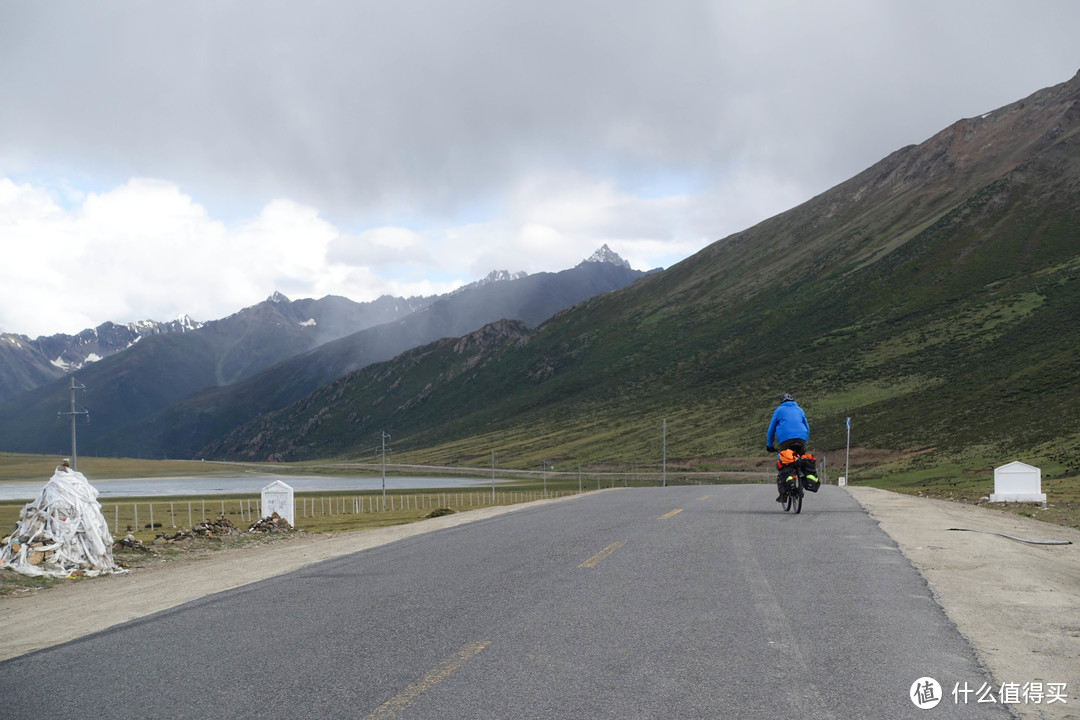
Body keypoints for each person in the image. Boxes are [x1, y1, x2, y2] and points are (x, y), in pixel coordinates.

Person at [766, 393, 810, 502]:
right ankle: (802, 480)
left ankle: (783, 494)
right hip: (801, 439)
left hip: (786, 440)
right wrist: (805, 442)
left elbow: (771, 429)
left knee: (783, 463)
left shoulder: (779, 410)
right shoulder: (800, 410)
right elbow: (807, 427)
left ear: (782, 402)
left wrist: (769, 445)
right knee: (800, 460)